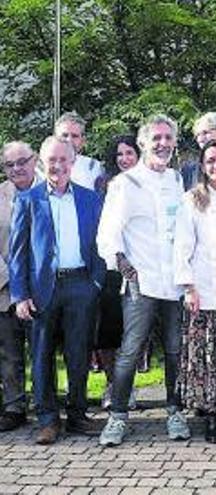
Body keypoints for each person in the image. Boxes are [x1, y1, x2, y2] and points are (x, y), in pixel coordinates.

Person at [97, 114, 189, 447]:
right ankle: (118, 416)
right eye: (156, 139)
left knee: (177, 351)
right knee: (130, 350)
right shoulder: (125, 183)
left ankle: (175, 411)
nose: (163, 144)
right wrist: (121, 263)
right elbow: (107, 233)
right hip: (141, 282)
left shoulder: (177, 180)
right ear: (143, 143)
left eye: (168, 138)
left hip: (175, 282)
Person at [9, 136, 106, 444]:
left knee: (79, 353)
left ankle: (77, 415)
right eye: (52, 160)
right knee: (41, 355)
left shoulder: (91, 198)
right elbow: (18, 253)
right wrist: (20, 294)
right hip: (41, 290)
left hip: (81, 284)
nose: (58, 165)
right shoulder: (29, 199)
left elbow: (101, 245)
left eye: (64, 159)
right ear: (42, 162)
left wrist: (96, 283)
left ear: (73, 162)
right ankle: (48, 420)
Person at [174, 140, 216, 443]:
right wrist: (188, 286)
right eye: (211, 161)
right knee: (209, 357)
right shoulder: (192, 199)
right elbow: (182, 246)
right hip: (203, 288)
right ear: (202, 165)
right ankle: (211, 416)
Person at [93, 136, 140, 410]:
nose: (124, 158)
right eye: (119, 154)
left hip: (142, 269)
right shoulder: (105, 185)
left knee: (133, 334)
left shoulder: (151, 183)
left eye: (129, 153)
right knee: (109, 331)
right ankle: (113, 385)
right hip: (111, 269)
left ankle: (129, 387)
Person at [0, 141, 39, 433]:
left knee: (42, 349)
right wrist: (11, 284)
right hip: (4, 291)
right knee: (9, 352)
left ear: (34, 159)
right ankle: (14, 407)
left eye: (22, 162)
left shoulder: (49, 192)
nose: (17, 169)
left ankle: (45, 404)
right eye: (9, 165)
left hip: (41, 290)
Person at [54, 111, 105, 191]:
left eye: (74, 136)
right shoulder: (40, 168)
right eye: (64, 135)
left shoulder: (94, 168)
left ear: (83, 141)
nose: (69, 140)